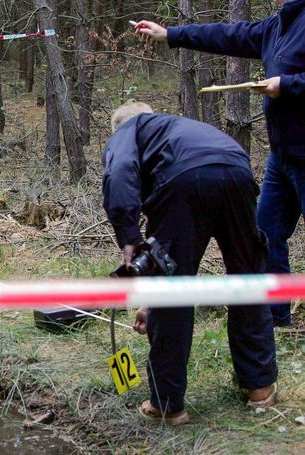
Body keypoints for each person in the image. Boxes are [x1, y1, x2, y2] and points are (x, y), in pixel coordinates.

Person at [103, 102, 278, 425]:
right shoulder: (183, 128)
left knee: (173, 291)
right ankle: (260, 388)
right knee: (247, 279)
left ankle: (167, 404)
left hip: (182, 183)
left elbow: (119, 173)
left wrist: (128, 237)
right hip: (238, 171)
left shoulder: (130, 127)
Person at [133, 0, 305, 327]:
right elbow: (229, 35)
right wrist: (170, 34)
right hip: (282, 159)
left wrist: (288, 85)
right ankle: (274, 320)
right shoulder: (278, 25)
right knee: (265, 236)